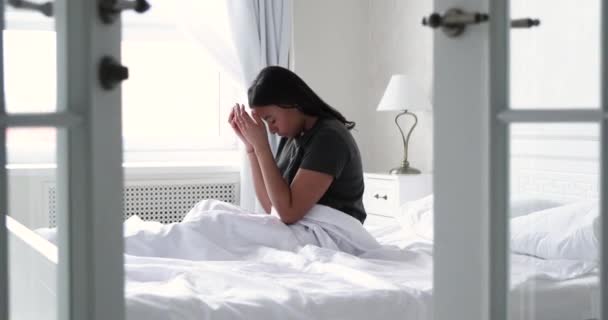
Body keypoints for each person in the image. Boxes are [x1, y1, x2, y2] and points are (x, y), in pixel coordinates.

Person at [228, 65, 366, 225]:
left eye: (271, 120)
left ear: (291, 103)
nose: (271, 130)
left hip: (334, 233)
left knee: (219, 223)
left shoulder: (329, 138)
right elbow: (271, 207)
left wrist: (262, 147)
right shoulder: (291, 137)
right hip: (304, 229)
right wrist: (251, 148)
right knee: (210, 214)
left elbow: (288, 213)